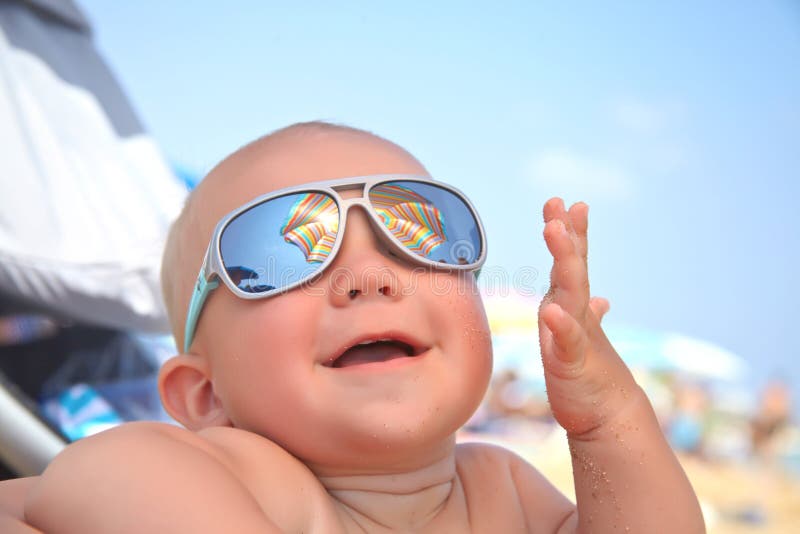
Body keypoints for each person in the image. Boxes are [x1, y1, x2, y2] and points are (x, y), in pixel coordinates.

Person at [0, 122, 705, 533]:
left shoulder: (506, 492)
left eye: (419, 230)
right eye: (281, 250)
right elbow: (99, 472)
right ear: (204, 396)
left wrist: (607, 422)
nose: (371, 276)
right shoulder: (248, 481)